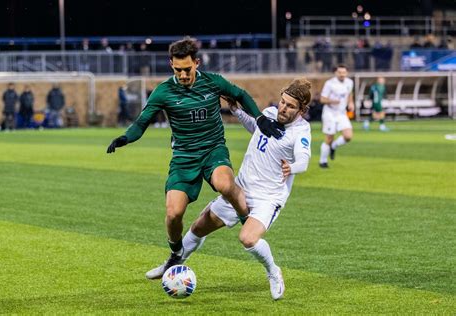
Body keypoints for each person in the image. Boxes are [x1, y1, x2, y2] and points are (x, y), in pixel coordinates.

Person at [106, 37, 285, 278]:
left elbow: (240, 94)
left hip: (213, 151)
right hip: (184, 158)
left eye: (187, 69)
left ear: (197, 63)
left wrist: (260, 118)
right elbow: (142, 122)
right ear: (171, 65)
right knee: (173, 214)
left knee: (225, 184)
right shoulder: (163, 91)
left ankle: (247, 222)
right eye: (178, 69)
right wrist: (125, 138)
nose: (183, 74)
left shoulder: (212, 82)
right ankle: (175, 255)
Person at [175, 78, 312, 300]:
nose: (283, 108)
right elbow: (257, 130)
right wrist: (237, 111)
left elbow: (304, 160)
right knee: (199, 226)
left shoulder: (301, 131)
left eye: (291, 106)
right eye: (283, 102)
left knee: (248, 238)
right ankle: (173, 263)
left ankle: (273, 272)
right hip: (241, 188)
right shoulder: (268, 113)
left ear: (302, 110)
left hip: (267, 198)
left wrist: (292, 167)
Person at [319, 64, 354, 168]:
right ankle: (323, 161)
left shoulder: (349, 82)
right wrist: (333, 101)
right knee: (329, 138)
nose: (342, 74)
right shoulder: (329, 84)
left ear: (346, 73)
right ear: (335, 73)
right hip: (330, 113)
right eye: (340, 72)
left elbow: (349, 94)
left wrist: (351, 103)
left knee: (348, 136)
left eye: (344, 72)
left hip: (341, 113)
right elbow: (322, 99)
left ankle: (334, 146)